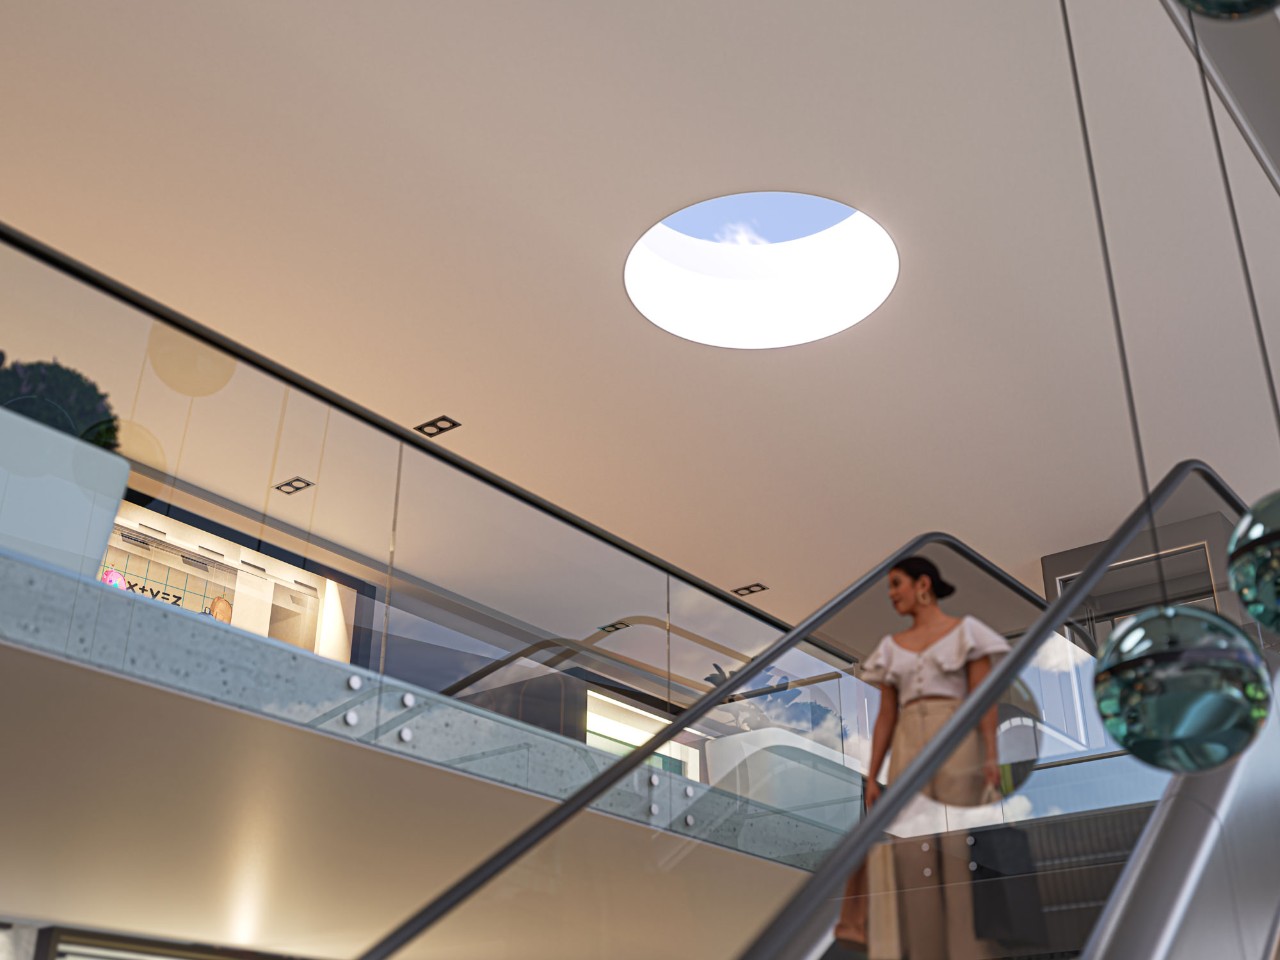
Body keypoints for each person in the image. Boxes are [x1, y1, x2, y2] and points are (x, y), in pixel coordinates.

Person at [831, 556, 1009, 960]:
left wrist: (990, 755)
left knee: (958, 847)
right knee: (913, 851)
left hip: (956, 737)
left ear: (922, 584)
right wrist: (873, 774)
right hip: (908, 742)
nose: (892, 594)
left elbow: (984, 699)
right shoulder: (890, 648)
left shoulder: (966, 633)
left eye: (897, 584)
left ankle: (969, 951)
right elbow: (886, 716)